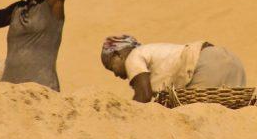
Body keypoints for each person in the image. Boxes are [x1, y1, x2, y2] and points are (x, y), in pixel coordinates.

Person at [101, 35, 246, 103]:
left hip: (205, 65)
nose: (115, 74)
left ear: (117, 55)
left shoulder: (133, 57)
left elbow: (144, 96)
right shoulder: (151, 52)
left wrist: (126, 116)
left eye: (110, 67)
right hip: (230, 61)